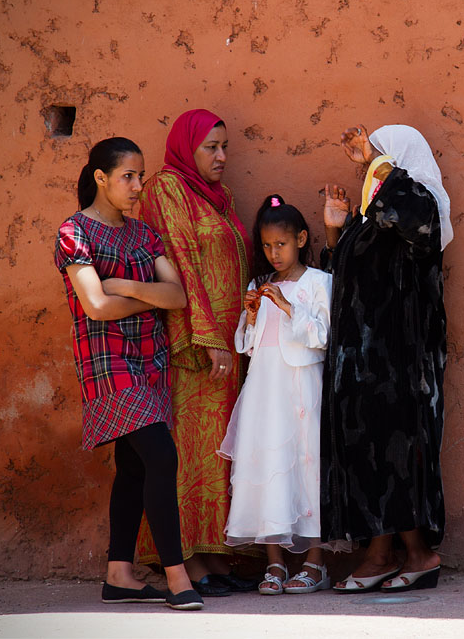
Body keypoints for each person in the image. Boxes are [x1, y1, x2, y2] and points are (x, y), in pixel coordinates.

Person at [54, 137, 203, 611]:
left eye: (141, 176)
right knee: (160, 456)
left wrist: (123, 285)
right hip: (107, 364)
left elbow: (178, 297)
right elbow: (95, 307)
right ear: (100, 178)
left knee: (135, 466)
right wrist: (147, 294)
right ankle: (178, 578)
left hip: (150, 359)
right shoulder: (73, 232)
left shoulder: (144, 235)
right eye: (129, 177)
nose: (139, 186)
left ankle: (119, 573)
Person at [320, 124, 453, 593]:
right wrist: (336, 234)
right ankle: (384, 554)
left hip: (400, 361)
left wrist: (375, 165)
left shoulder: (422, 204)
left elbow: (411, 220)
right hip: (363, 367)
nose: (370, 165)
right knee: (368, 455)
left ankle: (412, 555)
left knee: (397, 455)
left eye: (380, 156)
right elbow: (349, 281)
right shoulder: (372, 212)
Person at [135, 110, 255, 596]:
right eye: (211, 147)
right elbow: (180, 259)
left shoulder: (220, 199)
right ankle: (186, 558)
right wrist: (205, 335)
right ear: (188, 148)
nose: (222, 156)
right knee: (190, 449)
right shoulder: (168, 189)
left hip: (230, 346)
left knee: (218, 451)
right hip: (195, 346)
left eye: (225, 147)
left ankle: (213, 553)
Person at [218, 194, 345, 594]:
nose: (274, 253)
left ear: (303, 239)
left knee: (306, 464)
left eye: (282, 244)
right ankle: (274, 562)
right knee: (266, 463)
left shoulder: (320, 283)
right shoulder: (260, 285)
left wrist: (289, 307)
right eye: (267, 246)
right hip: (264, 389)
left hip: (302, 388)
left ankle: (315, 561)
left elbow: (324, 338)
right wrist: (252, 316)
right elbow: (246, 345)